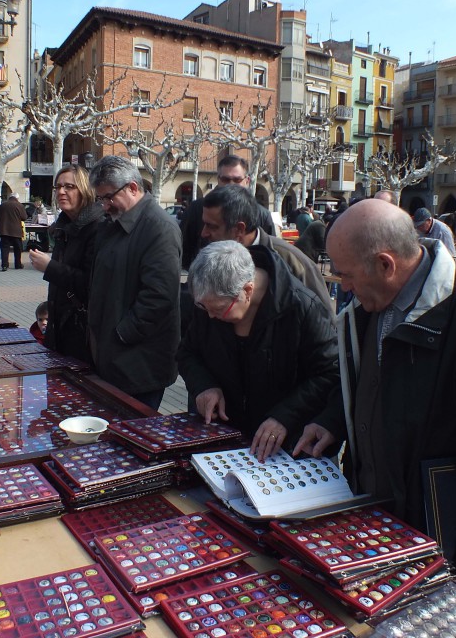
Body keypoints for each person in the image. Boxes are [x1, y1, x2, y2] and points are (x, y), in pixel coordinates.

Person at [296, 200, 456, 589]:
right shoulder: (372, 304)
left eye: (346, 275)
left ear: (385, 264)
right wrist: (334, 420)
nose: (341, 286)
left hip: (443, 531)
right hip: (380, 513)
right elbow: (372, 380)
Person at [179, 241, 339, 461]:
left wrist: (285, 416)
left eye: (217, 309)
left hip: (284, 447)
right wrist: (204, 386)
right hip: (226, 437)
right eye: (202, 307)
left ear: (247, 290)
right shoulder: (210, 302)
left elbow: (329, 374)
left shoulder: (302, 307)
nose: (210, 316)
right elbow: (187, 353)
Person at [87, 156, 181, 410]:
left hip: (138, 362)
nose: (105, 206)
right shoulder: (114, 223)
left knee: (133, 434)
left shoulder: (160, 228)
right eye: (101, 199)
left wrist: (120, 335)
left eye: (109, 197)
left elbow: (159, 296)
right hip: (115, 356)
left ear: (132, 187)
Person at [200, 184, 330, 306]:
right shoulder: (209, 256)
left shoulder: (291, 261)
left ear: (239, 229)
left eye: (212, 226)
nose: (203, 233)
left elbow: (323, 319)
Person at [28, 165, 104, 363]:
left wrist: (49, 267)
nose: (61, 191)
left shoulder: (98, 227)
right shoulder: (64, 225)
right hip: (60, 328)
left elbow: (92, 283)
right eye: (58, 187)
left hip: (82, 334)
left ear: (85, 190)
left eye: (69, 186)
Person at [181, 155, 274, 269]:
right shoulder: (197, 209)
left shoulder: (262, 215)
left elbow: (270, 254)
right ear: (218, 179)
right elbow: (184, 250)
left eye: (237, 180)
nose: (230, 184)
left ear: (247, 181)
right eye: (225, 179)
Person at [0, 192, 28, 271]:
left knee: (4, 248)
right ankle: (18, 264)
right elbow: (24, 217)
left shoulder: (2, 205)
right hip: (16, 231)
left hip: (4, 230)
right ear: (17, 198)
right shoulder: (19, 205)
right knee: (18, 249)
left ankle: (4, 265)